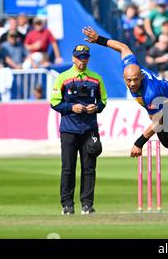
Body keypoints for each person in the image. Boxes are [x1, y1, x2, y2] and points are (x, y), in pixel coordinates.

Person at [82, 26, 168, 213]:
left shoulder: (150, 92)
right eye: (128, 80)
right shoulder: (130, 65)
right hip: (167, 108)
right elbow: (123, 47)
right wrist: (99, 39)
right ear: (124, 76)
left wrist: (139, 142)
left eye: (135, 80)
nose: (132, 84)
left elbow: (160, 121)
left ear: (141, 75)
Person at [50, 44, 107, 215]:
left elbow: (103, 101)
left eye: (85, 57)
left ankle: (87, 205)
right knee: (68, 168)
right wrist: (71, 108)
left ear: (88, 58)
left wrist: (95, 108)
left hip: (89, 129)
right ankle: (67, 205)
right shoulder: (63, 77)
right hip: (69, 129)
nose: (82, 60)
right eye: (79, 57)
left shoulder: (96, 78)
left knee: (89, 168)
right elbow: (54, 102)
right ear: (73, 58)